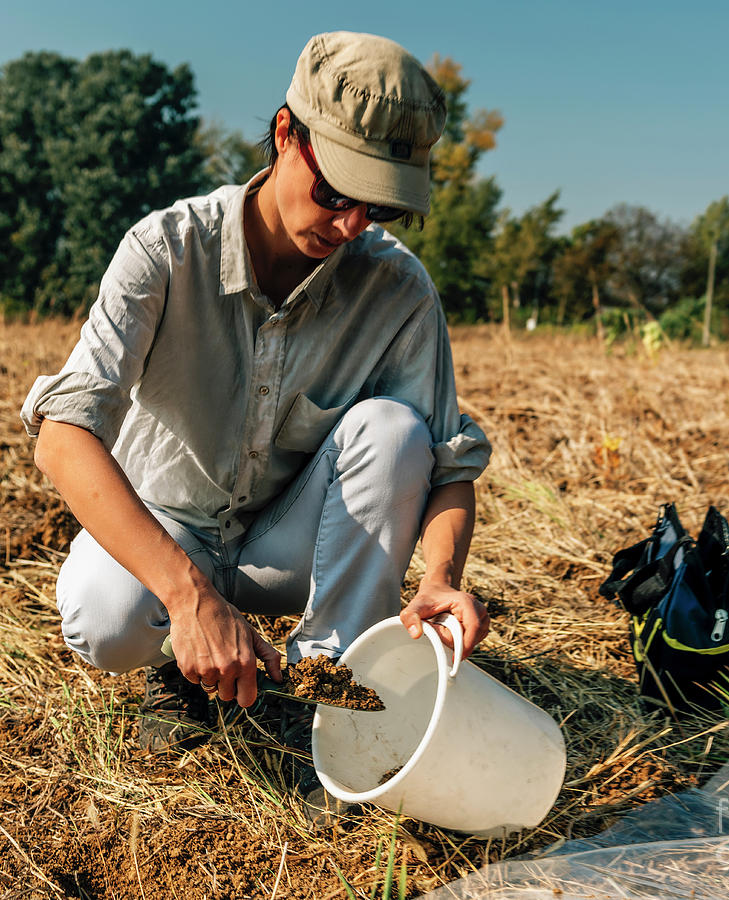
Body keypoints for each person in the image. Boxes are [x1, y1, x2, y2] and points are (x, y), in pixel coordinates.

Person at [20, 31, 491, 753]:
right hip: (168, 528)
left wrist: (440, 574)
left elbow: (449, 468)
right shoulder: (167, 250)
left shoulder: (397, 290)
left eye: (379, 209)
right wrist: (188, 595)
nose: (350, 225)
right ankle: (181, 664)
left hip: (292, 544)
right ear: (284, 135)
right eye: (335, 192)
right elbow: (63, 436)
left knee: (396, 431)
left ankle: (328, 686)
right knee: (102, 618)